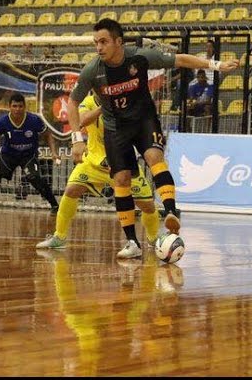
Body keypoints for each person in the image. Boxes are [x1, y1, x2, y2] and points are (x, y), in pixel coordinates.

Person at [66, 18, 239, 258]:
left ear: (118, 42)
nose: (99, 47)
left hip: (144, 120)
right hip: (115, 128)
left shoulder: (139, 58)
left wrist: (217, 65)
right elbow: (72, 102)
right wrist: (77, 139)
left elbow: (179, 59)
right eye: (96, 43)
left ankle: (170, 211)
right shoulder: (92, 70)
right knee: (122, 179)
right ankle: (132, 243)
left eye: (104, 42)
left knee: (154, 156)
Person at [36, 92, 160, 257]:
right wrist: (104, 107)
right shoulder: (87, 102)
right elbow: (81, 121)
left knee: (147, 206)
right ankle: (59, 237)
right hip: (93, 162)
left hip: (122, 163)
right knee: (71, 190)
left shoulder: (124, 103)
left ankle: (153, 240)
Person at [0, 92, 60, 213]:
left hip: (28, 155)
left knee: (34, 177)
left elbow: (48, 135)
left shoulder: (34, 120)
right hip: (9, 155)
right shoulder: (2, 122)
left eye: (20, 106)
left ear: (24, 107)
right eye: (14, 106)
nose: (17, 109)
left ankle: (55, 206)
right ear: (10, 107)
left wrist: (54, 153)